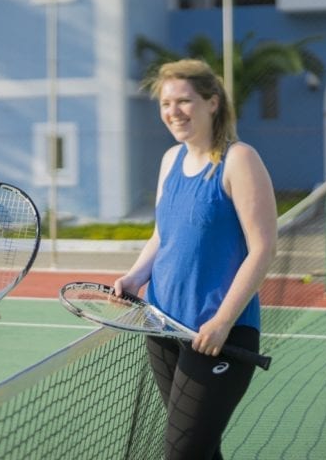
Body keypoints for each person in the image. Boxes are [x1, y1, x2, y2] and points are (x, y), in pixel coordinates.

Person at [114, 59, 277, 459]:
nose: (173, 112)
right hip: (163, 327)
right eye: (166, 103)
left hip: (218, 337)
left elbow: (264, 248)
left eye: (184, 101)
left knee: (181, 452)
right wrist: (135, 276)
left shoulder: (239, 159)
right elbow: (162, 234)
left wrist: (222, 321)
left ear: (212, 103)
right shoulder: (170, 160)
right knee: (199, 450)